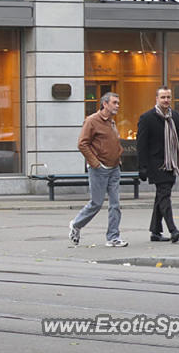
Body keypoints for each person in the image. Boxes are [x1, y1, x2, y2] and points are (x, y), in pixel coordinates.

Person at [137, 86, 179, 243]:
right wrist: (142, 166)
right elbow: (141, 144)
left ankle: (155, 232)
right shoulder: (147, 118)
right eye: (163, 97)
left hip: (172, 162)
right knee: (164, 194)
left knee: (161, 196)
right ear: (156, 99)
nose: (166, 100)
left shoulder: (177, 117)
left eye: (168, 97)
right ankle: (173, 230)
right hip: (156, 164)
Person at [69, 92, 128, 248]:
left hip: (114, 168)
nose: (117, 105)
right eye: (114, 102)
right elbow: (82, 144)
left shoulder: (111, 122)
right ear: (105, 104)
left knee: (115, 204)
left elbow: (113, 142)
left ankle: (113, 237)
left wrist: (118, 156)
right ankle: (76, 224)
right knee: (96, 203)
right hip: (99, 169)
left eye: (118, 102)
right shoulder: (92, 121)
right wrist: (95, 163)